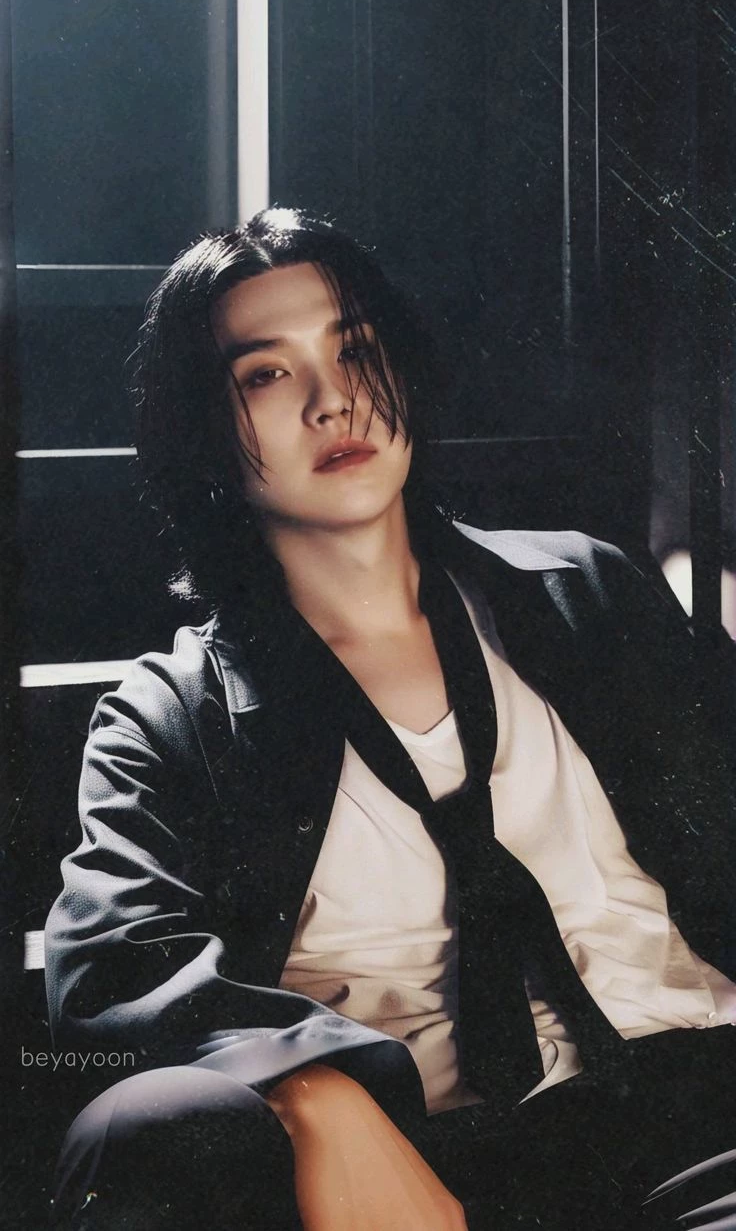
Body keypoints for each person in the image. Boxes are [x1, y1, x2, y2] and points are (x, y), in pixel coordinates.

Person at [45, 207, 736, 1231]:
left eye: (357, 351)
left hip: (695, 1109)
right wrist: (311, 1091)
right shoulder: (172, 715)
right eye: (266, 374)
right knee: (146, 1119)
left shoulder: (586, 594)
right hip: (408, 1160)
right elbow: (110, 972)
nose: (333, 400)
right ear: (204, 431)